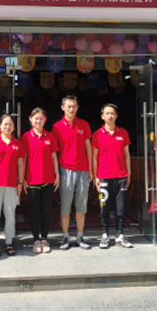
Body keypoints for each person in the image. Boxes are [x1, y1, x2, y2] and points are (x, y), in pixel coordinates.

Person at [51, 95, 92, 250]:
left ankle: (80, 236)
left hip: (83, 169)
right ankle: (65, 237)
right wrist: (56, 174)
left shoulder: (84, 124)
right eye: (68, 106)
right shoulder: (56, 127)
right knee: (65, 206)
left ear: (77, 107)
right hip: (65, 169)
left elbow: (88, 148)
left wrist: (91, 169)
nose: (71, 109)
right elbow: (54, 153)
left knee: (81, 205)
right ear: (63, 107)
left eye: (74, 106)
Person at [92, 103, 133, 249]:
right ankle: (104, 235)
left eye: (112, 113)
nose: (110, 116)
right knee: (104, 207)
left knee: (120, 208)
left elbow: (127, 154)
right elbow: (94, 157)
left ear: (116, 116)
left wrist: (129, 173)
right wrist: (96, 176)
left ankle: (119, 234)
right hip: (103, 176)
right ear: (102, 116)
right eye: (107, 113)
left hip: (121, 176)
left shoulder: (123, 133)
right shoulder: (97, 134)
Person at [0, 114, 25, 257]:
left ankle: (9, 241)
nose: (8, 126)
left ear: (14, 127)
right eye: (5, 124)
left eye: (10, 124)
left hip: (12, 184)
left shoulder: (18, 144)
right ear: (0, 126)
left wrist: (20, 182)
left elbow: (20, 164)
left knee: (10, 214)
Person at [22, 108, 60, 254]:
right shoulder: (26, 137)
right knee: (34, 211)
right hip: (32, 180)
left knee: (46, 211)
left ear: (45, 120)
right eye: (36, 118)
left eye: (41, 118)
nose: (38, 121)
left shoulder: (50, 136)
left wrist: (57, 175)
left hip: (48, 179)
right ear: (30, 119)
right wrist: (22, 178)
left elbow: (54, 157)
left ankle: (44, 238)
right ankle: (36, 240)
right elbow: (23, 159)